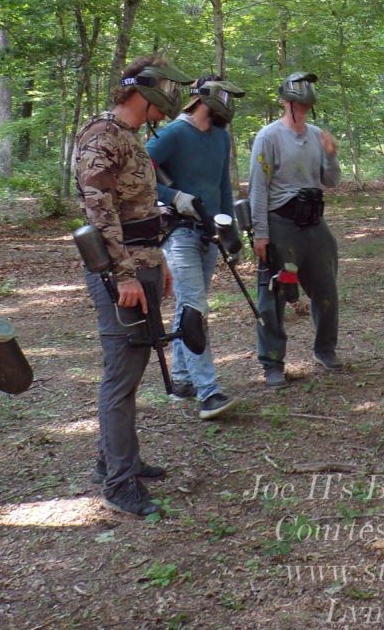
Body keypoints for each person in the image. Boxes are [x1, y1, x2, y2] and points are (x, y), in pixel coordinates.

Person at [75, 55, 192, 517]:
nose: (172, 101)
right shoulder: (102, 135)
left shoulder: (129, 136)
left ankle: (115, 460)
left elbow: (139, 212)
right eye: (167, 91)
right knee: (121, 375)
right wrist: (123, 275)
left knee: (133, 366)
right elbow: (99, 212)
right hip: (118, 274)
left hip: (141, 263)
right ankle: (119, 483)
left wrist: (156, 262)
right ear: (145, 91)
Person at [146, 76, 244, 421]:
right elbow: (139, 174)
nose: (229, 105)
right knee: (194, 310)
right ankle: (208, 392)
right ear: (204, 98)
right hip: (179, 234)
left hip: (209, 235)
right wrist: (173, 196)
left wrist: (231, 232)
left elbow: (223, 188)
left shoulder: (221, 138)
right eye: (225, 96)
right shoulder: (173, 133)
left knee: (188, 306)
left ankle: (182, 380)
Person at [247, 73, 342, 389]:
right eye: (297, 104)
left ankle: (325, 350)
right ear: (285, 102)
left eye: (306, 105)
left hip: (313, 223)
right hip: (281, 224)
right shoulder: (268, 137)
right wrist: (261, 234)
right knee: (274, 294)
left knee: (327, 289)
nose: (302, 110)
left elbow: (331, 181)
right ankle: (272, 363)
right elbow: (258, 188)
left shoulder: (316, 135)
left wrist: (331, 155)